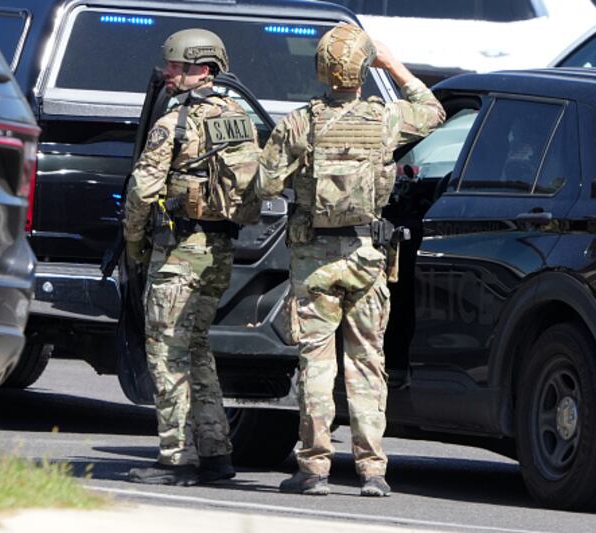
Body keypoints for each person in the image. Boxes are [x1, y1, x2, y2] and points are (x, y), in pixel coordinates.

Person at [255, 23, 445, 496]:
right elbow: (434, 111)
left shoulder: (299, 123)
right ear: (363, 70)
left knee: (316, 364)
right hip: (366, 256)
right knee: (366, 361)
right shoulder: (386, 120)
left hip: (314, 261)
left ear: (322, 69)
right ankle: (372, 470)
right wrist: (392, 64)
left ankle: (314, 468)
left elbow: (265, 184)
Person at [123, 29, 259, 486]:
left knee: (167, 353)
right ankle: (216, 452)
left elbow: (142, 190)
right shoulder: (239, 118)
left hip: (179, 252)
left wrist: (134, 243)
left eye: (177, 66)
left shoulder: (174, 123)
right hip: (219, 251)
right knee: (197, 350)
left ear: (203, 68)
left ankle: (176, 457)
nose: (169, 72)